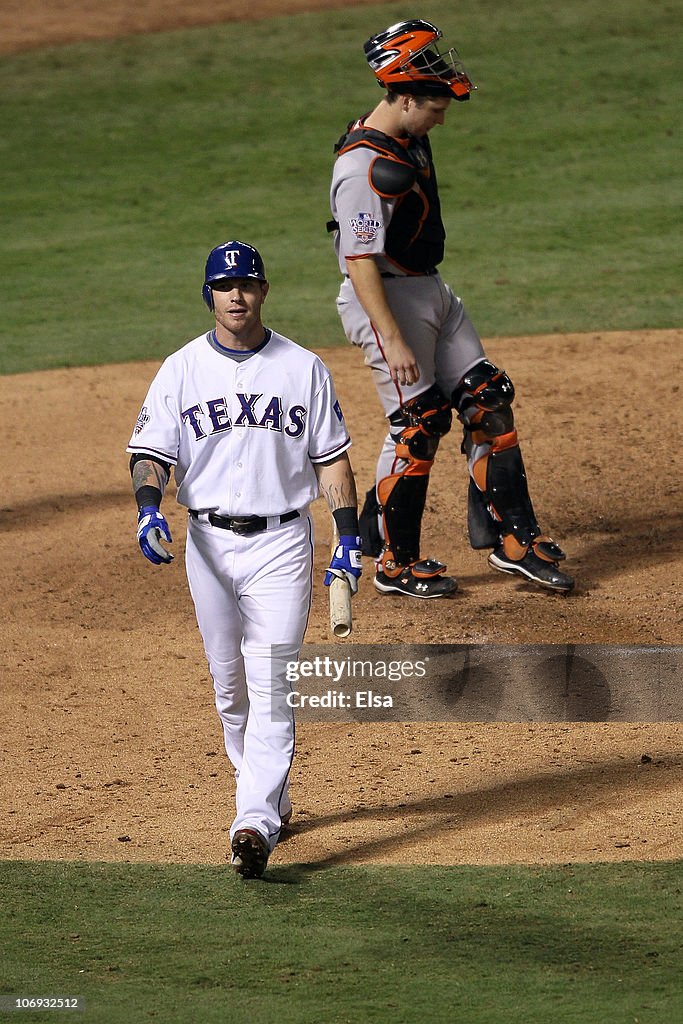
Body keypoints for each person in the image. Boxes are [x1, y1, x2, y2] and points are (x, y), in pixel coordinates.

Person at [127, 240, 362, 879]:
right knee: (229, 687)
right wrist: (150, 506)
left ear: (263, 293)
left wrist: (347, 537)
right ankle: (269, 790)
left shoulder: (303, 368)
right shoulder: (180, 370)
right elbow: (150, 451)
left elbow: (333, 459)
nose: (237, 295)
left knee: (272, 684)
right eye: (225, 286)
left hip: (282, 546)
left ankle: (253, 823)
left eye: (248, 284)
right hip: (206, 546)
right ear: (210, 295)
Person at [328, 19, 574, 598]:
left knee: (488, 399)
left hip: (428, 288)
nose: (442, 116)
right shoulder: (362, 168)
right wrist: (391, 338)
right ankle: (394, 561)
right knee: (418, 425)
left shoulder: (406, 136)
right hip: (384, 300)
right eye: (435, 105)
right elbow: (359, 259)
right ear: (404, 96)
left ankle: (515, 539)